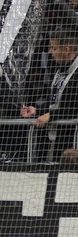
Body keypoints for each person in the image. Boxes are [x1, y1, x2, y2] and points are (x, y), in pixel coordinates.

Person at [21, 27, 78, 161]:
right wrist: (38, 110)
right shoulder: (60, 70)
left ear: (67, 50)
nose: (50, 52)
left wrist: (51, 115)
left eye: (54, 48)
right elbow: (56, 100)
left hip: (73, 140)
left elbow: (73, 106)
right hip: (56, 135)